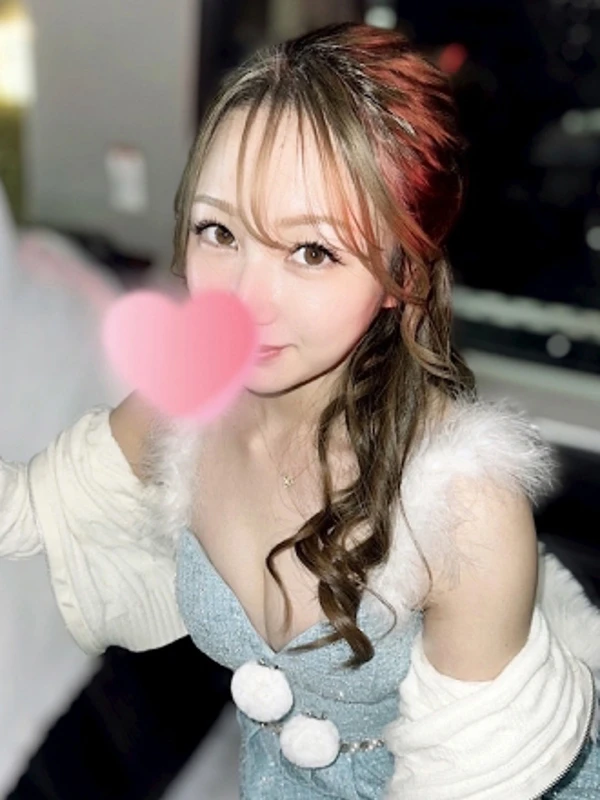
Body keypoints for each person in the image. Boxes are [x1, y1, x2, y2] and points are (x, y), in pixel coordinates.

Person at [2, 22, 599, 799]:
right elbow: (34, 507)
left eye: (311, 252)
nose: (245, 300)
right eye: (220, 232)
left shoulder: (464, 509)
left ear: (402, 276)